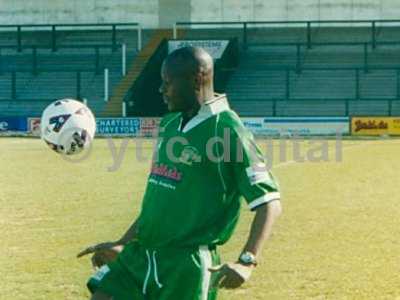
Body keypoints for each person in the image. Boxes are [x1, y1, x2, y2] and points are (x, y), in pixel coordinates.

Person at [77, 46, 282, 300]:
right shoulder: (170, 122)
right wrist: (124, 242)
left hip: (186, 264)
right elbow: (161, 198)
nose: (161, 90)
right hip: (140, 254)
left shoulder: (229, 130)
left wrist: (247, 261)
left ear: (197, 79)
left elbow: (269, 202)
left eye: (167, 82)